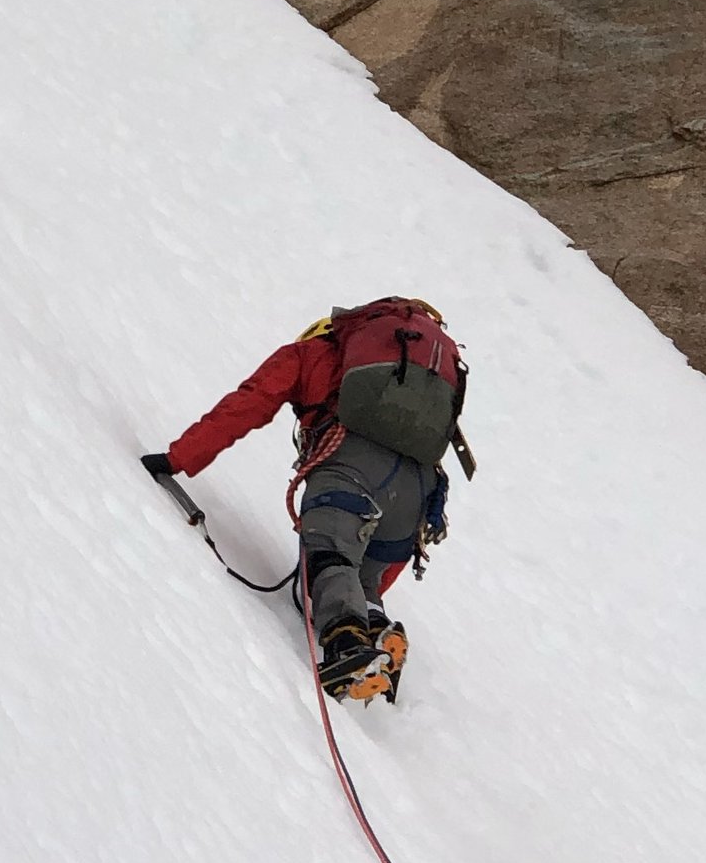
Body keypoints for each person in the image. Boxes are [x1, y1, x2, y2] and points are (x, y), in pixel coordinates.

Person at [146, 298, 468, 701]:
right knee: (361, 577)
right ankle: (376, 627)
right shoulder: (416, 382)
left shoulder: (309, 354)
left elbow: (248, 404)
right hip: (417, 493)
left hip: (349, 467)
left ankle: (347, 646)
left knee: (331, 554)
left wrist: (178, 458)